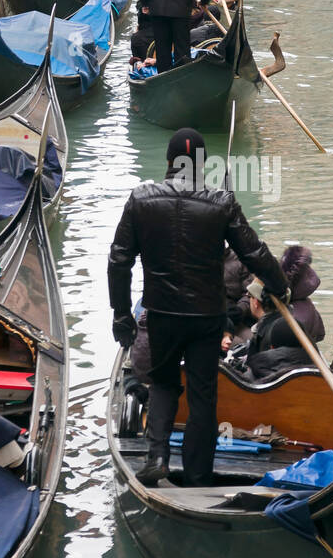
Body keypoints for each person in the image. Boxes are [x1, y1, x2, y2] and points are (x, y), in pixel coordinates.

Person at [108, 127, 289, 487]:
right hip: (206, 317)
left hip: (161, 313)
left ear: (169, 162)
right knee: (203, 394)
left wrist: (122, 314)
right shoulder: (221, 203)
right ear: (202, 164)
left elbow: (118, 261)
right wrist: (280, 285)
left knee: (162, 383)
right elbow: (254, 252)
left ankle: (156, 456)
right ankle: (197, 473)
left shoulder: (141, 199)